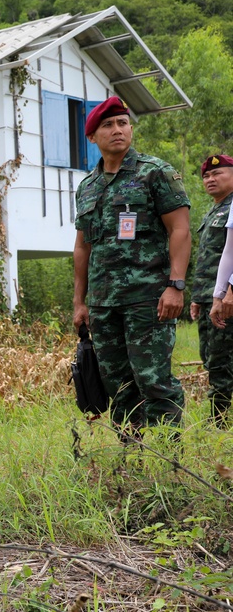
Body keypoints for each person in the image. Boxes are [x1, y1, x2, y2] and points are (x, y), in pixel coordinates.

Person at [72, 96, 191, 435]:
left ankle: (169, 457)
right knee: (119, 385)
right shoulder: (88, 186)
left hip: (149, 298)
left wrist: (176, 285)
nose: (117, 130)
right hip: (104, 303)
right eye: (107, 125)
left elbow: (179, 230)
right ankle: (130, 458)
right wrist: (80, 302)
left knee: (153, 381)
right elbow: (82, 247)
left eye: (123, 123)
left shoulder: (156, 173)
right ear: (92, 137)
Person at [195, 154, 233, 427]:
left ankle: (219, 425)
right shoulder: (215, 210)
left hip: (227, 299)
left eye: (218, 173)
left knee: (222, 363)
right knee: (210, 358)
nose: (210, 179)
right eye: (206, 175)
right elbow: (208, 258)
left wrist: (230, 292)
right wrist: (197, 298)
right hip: (211, 298)